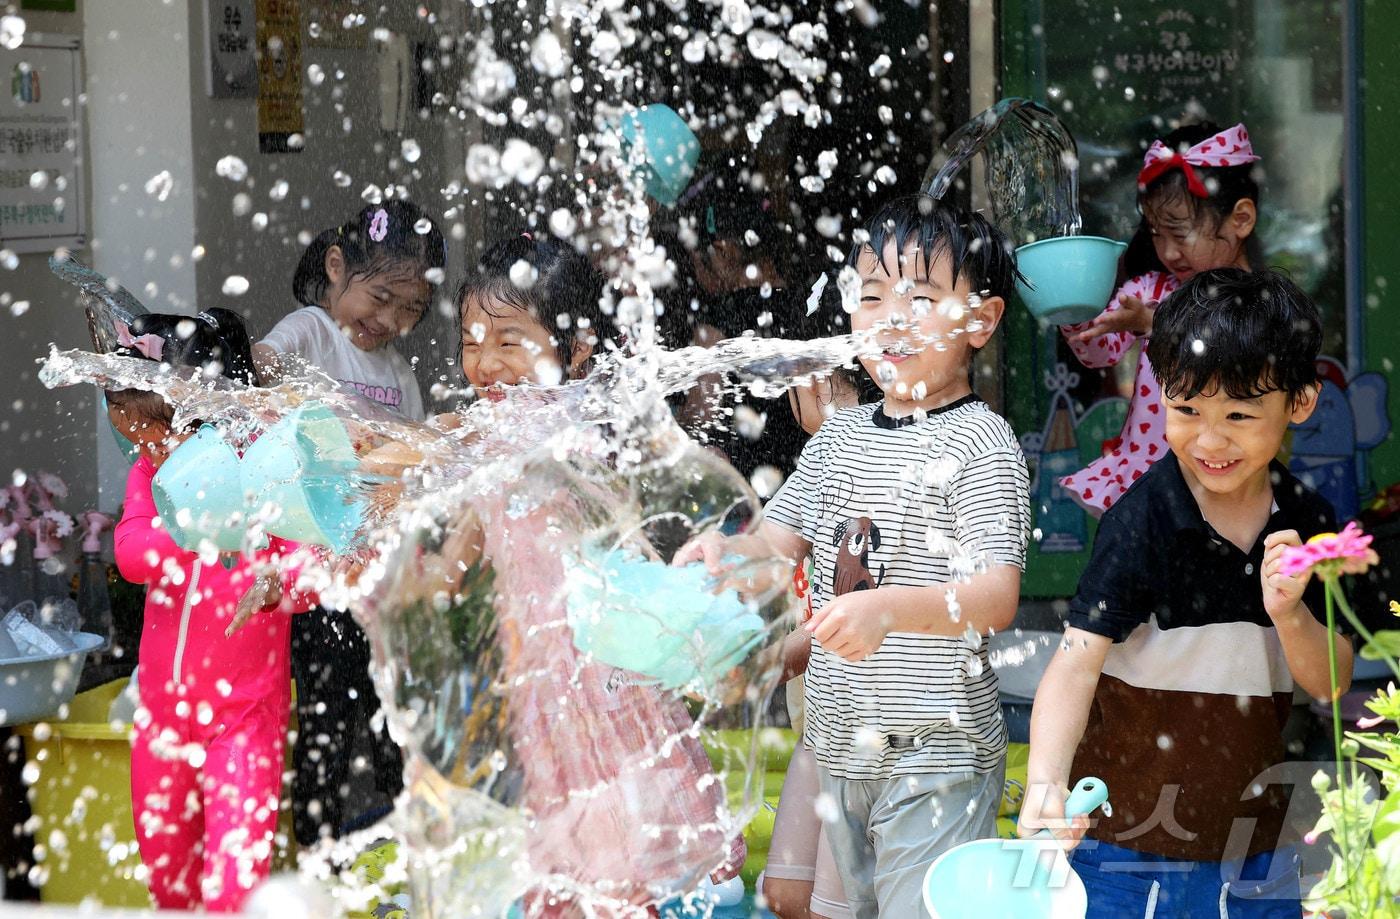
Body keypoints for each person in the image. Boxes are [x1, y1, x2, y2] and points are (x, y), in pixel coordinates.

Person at [678, 195, 1031, 917]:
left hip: (938, 752)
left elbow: (996, 595)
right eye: (872, 296)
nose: (890, 318)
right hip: (843, 751)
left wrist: (885, 612)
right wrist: (723, 552)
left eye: (921, 297)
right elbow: (775, 548)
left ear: (982, 321)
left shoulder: (981, 443)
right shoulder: (838, 441)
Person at [1017, 269, 1352, 917]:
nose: (1210, 438)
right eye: (1187, 408)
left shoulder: (1306, 520)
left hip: (1253, 845)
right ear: (1158, 390)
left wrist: (1288, 615)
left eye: (1239, 414)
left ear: (1300, 401)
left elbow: (1331, 680)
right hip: (1125, 842)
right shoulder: (1144, 520)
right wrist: (1046, 782)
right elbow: (1076, 661)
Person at [455, 233, 746, 915]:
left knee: (622, 844)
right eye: (470, 341)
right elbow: (461, 546)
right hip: (541, 677)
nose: (484, 363)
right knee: (566, 841)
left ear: (576, 350)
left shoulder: (565, 422)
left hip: (596, 671)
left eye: (507, 340)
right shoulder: (494, 436)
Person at [107, 310, 315, 912]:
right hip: (164, 714)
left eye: (151, 429)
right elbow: (131, 555)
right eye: (130, 434)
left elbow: (316, 567)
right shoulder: (151, 475)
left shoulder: (268, 475)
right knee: (168, 872)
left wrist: (280, 584)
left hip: (244, 713)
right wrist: (191, 525)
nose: (143, 448)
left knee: (233, 882)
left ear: (203, 411)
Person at [254, 199, 447, 847]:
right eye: (382, 297)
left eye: (411, 310)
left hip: (377, 567)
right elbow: (265, 363)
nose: (390, 321)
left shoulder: (397, 372)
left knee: (391, 704)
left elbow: (416, 461)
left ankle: (405, 832)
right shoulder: (314, 330)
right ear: (337, 266)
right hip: (315, 563)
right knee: (329, 711)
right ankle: (317, 845)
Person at [1059, 121, 1263, 514]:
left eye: (1179, 233)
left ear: (1240, 220)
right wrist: (1073, 310)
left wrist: (1156, 325)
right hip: (1147, 477)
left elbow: (1234, 351)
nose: (1167, 252)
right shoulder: (1151, 289)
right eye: (1155, 233)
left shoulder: (1261, 300)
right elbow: (1097, 351)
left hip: (1226, 476)